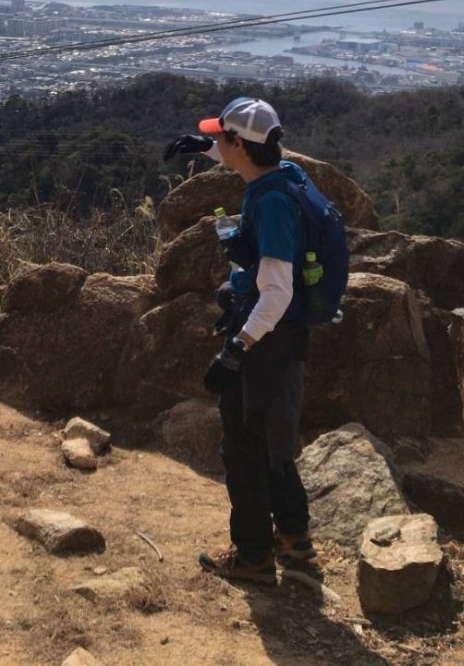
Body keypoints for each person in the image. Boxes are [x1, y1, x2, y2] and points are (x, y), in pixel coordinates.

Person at [170, 96, 315, 584]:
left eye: (220, 136)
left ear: (239, 143)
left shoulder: (271, 204)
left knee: (244, 447)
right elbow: (253, 154)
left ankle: (253, 556)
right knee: (274, 444)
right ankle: (295, 540)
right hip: (286, 341)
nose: (216, 141)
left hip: (264, 341)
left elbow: (276, 291)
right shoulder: (283, 176)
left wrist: (235, 351)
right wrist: (206, 149)